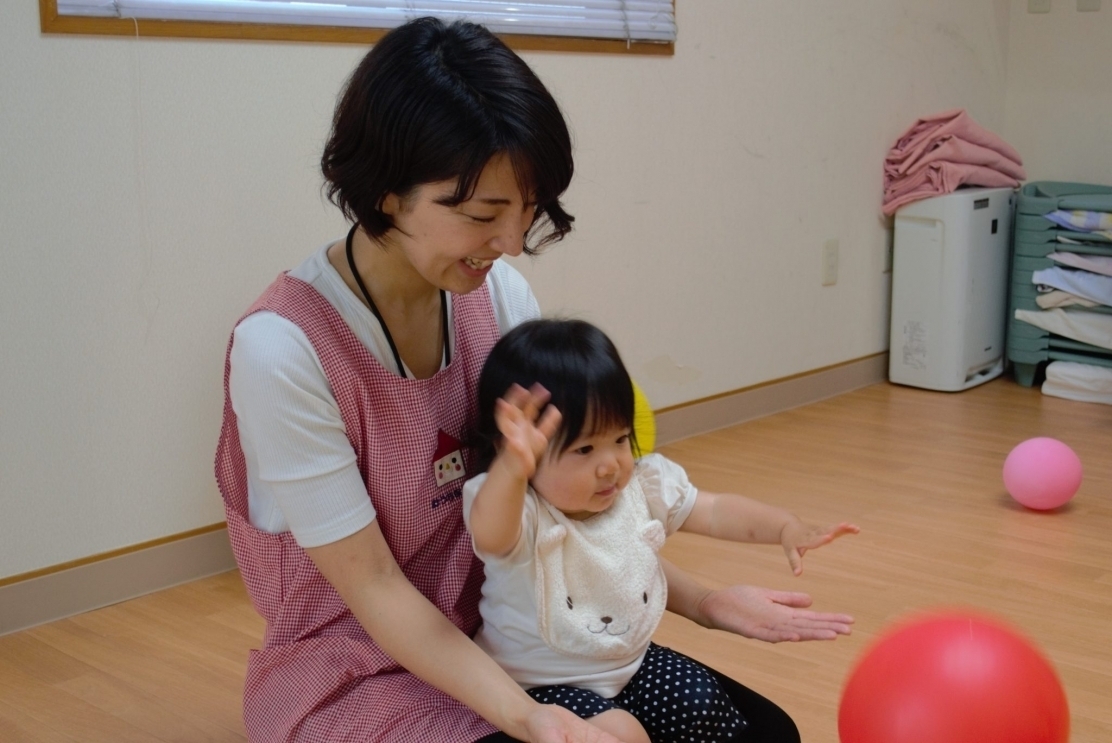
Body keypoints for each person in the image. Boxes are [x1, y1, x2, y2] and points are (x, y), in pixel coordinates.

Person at [215, 16, 855, 743]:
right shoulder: (285, 350)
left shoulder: (498, 298)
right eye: (485, 214)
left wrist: (707, 601)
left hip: (522, 636)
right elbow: (376, 588)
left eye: (524, 211)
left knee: (766, 732)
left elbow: (561, 516)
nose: (513, 242)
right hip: (361, 670)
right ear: (386, 191)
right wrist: (532, 719)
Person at [463, 320, 860, 743]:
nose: (610, 465)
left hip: (631, 663)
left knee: (703, 702)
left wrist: (783, 525)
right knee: (622, 733)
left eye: (619, 439)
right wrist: (511, 469)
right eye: (584, 449)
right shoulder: (521, 510)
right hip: (538, 687)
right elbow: (491, 535)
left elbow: (715, 510)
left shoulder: (640, 488)